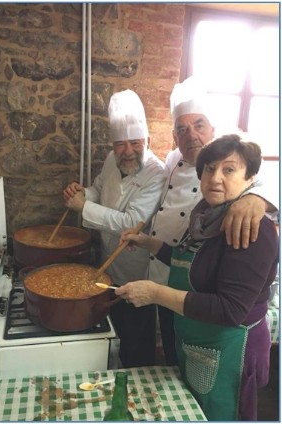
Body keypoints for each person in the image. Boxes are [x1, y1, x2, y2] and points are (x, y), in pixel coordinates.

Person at [116, 134, 279, 421]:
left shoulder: (251, 228)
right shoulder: (205, 214)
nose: (215, 177)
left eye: (229, 169)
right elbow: (191, 265)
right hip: (200, 344)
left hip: (231, 350)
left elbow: (230, 310)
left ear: (250, 177)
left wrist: (155, 294)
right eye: (209, 168)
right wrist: (149, 243)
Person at [148, 76, 277, 365]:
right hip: (184, 301)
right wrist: (149, 243)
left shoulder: (249, 219)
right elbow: (195, 259)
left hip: (227, 341)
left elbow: (230, 309)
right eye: (182, 129)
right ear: (174, 137)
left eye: (199, 125)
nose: (191, 135)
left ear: (213, 128)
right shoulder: (178, 174)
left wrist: (259, 199)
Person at [63, 89, 165, 367]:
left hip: (136, 268)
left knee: (137, 334)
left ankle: (138, 385)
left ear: (146, 139)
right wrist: (83, 192)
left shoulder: (156, 173)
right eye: (120, 144)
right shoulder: (112, 159)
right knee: (113, 330)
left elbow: (131, 223)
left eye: (135, 142)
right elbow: (99, 188)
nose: (127, 151)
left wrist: (83, 207)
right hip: (108, 264)